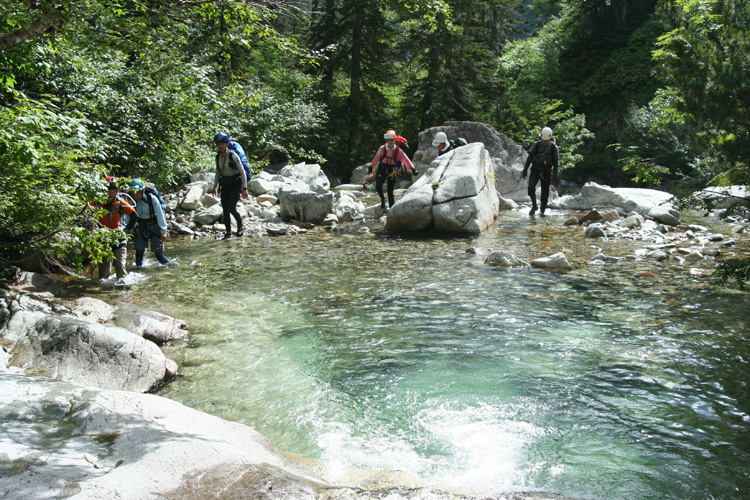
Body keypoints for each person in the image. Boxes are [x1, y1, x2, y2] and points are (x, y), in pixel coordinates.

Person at [91, 181, 138, 280]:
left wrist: (127, 230)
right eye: (108, 191)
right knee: (103, 274)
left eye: (113, 191)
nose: (110, 194)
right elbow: (84, 210)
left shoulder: (119, 203)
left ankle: (123, 289)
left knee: (120, 265)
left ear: (116, 192)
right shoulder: (97, 202)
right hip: (102, 240)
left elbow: (134, 215)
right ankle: (104, 292)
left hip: (118, 237)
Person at [213, 132, 249, 239]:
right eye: (218, 144)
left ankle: (241, 225)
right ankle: (228, 233)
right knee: (225, 209)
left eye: (223, 143)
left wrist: (245, 188)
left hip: (235, 185)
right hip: (225, 184)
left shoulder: (233, 155)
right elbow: (218, 172)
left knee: (231, 207)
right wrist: (214, 186)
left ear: (227, 143)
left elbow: (242, 171)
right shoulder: (218, 156)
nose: (221, 146)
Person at [127, 178, 170, 266]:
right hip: (141, 227)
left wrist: (163, 232)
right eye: (133, 194)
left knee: (158, 254)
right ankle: (139, 271)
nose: (136, 196)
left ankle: (169, 267)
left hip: (154, 226)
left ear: (143, 190)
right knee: (138, 253)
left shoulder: (152, 198)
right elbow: (129, 216)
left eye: (137, 193)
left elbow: (160, 214)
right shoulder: (131, 201)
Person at [370, 129, 415, 209]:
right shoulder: (382, 148)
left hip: (392, 170)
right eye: (389, 140)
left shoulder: (398, 150)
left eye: (392, 140)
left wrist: (412, 168)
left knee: (390, 192)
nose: (390, 142)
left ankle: (392, 209)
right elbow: (376, 158)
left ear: (395, 140)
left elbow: (405, 159)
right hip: (382, 168)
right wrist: (371, 166)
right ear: (386, 140)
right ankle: (383, 199)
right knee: (378, 186)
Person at [521, 126, 559, 216]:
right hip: (536, 169)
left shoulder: (553, 148)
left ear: (550, 138)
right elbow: (530, 157)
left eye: (546, 141)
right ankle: (534, 206)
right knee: (531, 188)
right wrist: (525, 169)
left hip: (547, 171)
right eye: (543, 140)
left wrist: (555, 177)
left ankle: (542, 211)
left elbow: (556, 163)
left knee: (545, 193)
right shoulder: (537, 144)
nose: (545, 142)